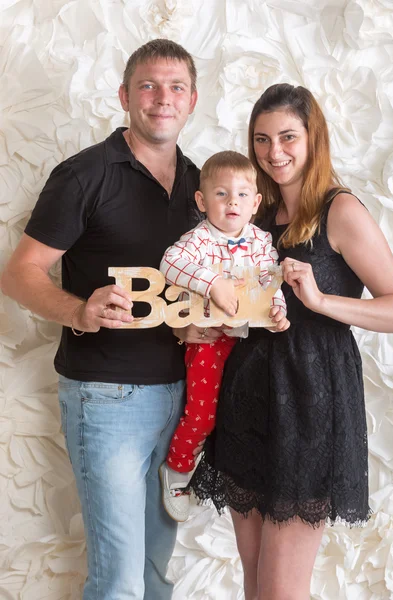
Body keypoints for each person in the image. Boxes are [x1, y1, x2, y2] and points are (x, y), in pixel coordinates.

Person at [185, 83, 393, 600]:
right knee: (254, 584)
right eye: (263, 139)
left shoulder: (340, 210)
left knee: (279, 591)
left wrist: (320, 301)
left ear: (314, 139)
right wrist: (205, 323)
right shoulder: (255, 217)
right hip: (248, 401)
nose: (275, 153)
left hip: (310, 408)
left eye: (288, 137)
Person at [1, 38, 204, 600]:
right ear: (124, 96)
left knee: (157, 575)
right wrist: (80, 311)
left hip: (183, 399)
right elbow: (19, 273)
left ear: (193, 100)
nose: (162, 98)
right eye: (148, 85)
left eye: (176, 87)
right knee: (118, 582)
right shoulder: (83, 175)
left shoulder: (201, 186)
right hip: (106, 398)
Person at [158, 150, 289, 522]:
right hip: (209, 337)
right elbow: (170, 262)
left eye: (242, 195)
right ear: (201, 201)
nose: (233, 202)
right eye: (221, 194)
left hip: (248, 341)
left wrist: (276, 308)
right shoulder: (199, 238)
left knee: (242, 416)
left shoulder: (261, 240)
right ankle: (178, 468)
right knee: (202, 413)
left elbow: (269, 279)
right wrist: (212, 281)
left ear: (256, 202)